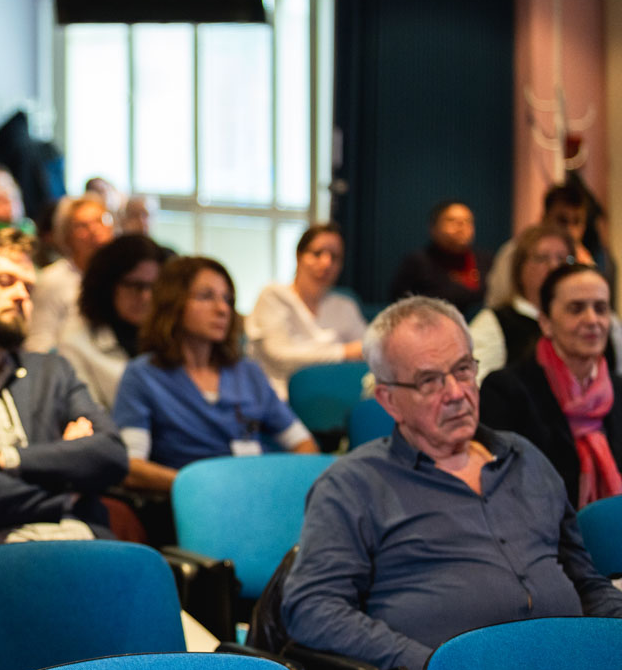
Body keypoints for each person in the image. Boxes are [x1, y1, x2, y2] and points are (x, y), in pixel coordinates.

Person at [281, 296, 622, 670]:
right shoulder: (353, 484)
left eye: (463, 370)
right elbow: (312, 608)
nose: (457, 392)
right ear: (389, 400)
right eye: (429, 381)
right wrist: (436, 669)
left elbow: (583, 580)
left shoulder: (524, 457)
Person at [0, 225, 128, 554]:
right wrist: (64, 489)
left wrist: (4, 461)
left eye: (28, 287)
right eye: (3, 281)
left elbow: (110, 455)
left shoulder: (52, 371)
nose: (21, 296)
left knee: (152, 576)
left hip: (83, 543)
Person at [113, 256, 319, 496]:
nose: (222, 309)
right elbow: (132, 468)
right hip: (193, 504)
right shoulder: (143, 376)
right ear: (173, 302)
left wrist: (283, 486)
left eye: (227, 299)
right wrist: (203, 487)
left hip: (258, 495)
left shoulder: (248, 372)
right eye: (206, 296)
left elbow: (304, 444)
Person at [480, 263, 622, 508]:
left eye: (600, 309)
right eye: (576, 309)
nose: (592, 320)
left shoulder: (618, 389)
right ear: (545, 322)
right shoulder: (505, 391)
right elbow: (503, 488)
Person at [246, 223, 366, 398]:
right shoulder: (273, 296)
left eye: (335, 257)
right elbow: (280, 355)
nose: (326, 263)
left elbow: (368, 349)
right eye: (317, 253)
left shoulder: (345, 305)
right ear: (299, 256)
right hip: (278, 400)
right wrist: (344, 352)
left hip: (335, 397)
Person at [57, 234, 165, 408]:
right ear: (108, 285)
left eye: (154, 287)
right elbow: (89, 413)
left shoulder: (169, 338)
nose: (146, 297)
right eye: (135, 286)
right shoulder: (75, 343)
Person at [469, 225, 573, 383]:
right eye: (542, 258)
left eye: (563, 259)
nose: (554, 266)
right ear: (520, 268)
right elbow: (473, 383)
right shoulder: (496, 322)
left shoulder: (592, 320)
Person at [24, 195, 114, 352]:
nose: (94, 230)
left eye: (101, 220)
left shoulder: (126, 275)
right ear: (66, 236)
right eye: (82, 226)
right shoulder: (52, 280)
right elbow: (39, 343)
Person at [486, 183, 594, 309]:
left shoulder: (586, 261)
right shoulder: (515, 251)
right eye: (562, 220)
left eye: (576, 222)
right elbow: (497, 304)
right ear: (544, 218)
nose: (570, 230)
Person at [388, 200, 490, 314]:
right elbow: (400, 306)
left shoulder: (485, 260)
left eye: (468, 221)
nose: (461, 226)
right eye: (452, 220)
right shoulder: (418, 262)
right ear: (433, 228)